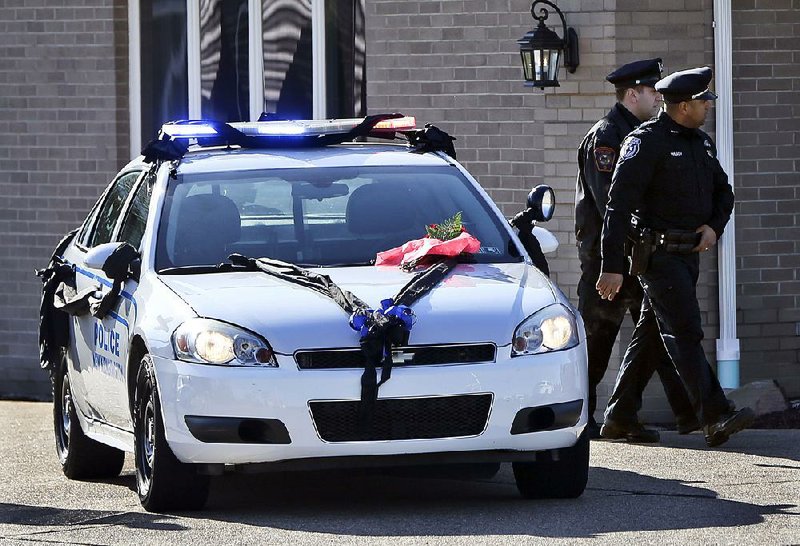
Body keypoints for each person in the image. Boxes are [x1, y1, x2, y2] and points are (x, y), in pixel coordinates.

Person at [597, 67, 755, 448]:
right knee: (685, 331)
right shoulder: (645, 142)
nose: (708, 107)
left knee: (651, 336)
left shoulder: (700, 142)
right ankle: (714, 415)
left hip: (688, 255)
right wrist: (612, 267)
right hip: (658, 256)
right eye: (704, 101)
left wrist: (714, 226)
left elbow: (724, 192)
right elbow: (617, 208)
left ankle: (619, 417)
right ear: (683, 106)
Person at [575, 58, 697, 441]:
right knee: (597, 343)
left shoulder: (644, 134)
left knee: (657, 338)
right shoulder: (608, 137)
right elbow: (612, 203)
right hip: (608, 262)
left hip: (640, 259)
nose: (659, 98)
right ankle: (581, 422)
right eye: (652, 91)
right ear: (633, 94)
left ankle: (679, 415)